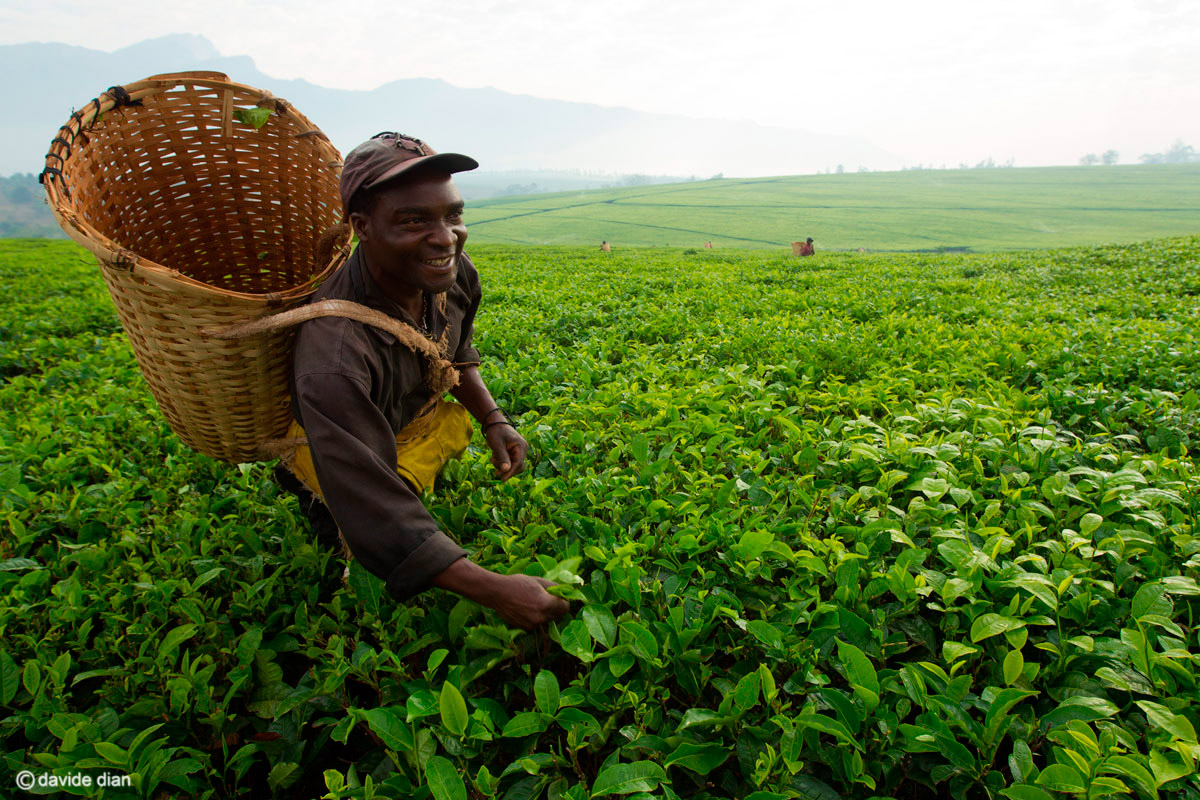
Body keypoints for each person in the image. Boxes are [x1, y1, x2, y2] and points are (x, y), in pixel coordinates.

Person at [276, 132, 568, 630]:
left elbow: (453, 354)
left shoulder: (453, 274)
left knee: (410, 490)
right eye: (414, 220)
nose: (445, 237)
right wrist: (496, 590)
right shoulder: (335, 352)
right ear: (362, 227)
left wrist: (493, 419)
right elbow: (372, 501)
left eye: (452, 215)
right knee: (359, 565)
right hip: (341, 449)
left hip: (404, 422)